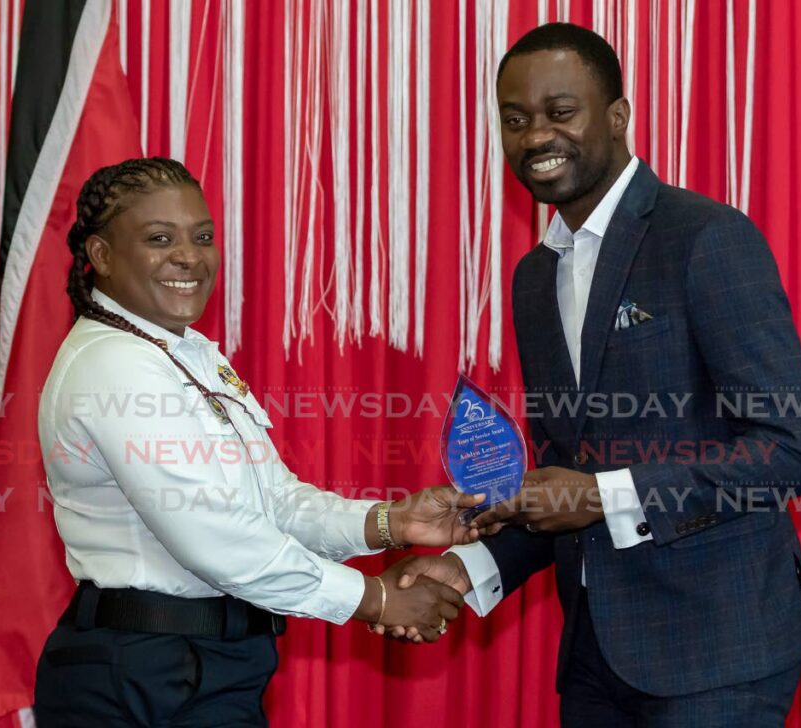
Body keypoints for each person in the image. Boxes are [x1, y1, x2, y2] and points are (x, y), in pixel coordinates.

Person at [387, 23, 801, 727]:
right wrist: (470, 569)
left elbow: (791, 451)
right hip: (596, 653)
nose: (536, 136)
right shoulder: (534, 277)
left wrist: (602, 495)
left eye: (560, 112)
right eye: (515, 118)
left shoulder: (706, 237)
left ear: (617, 117)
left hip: (719, 653)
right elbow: (566, 475)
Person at [34, 157, 481, 727]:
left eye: (202, 237)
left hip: (207, 663)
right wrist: (376, 599)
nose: (189, 257)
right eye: (158, 238)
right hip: (141, 671)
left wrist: (392, 523)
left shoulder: (187, 353)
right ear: (100, 256)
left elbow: (275, 500)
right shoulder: (114, 363)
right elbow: (216, 537)